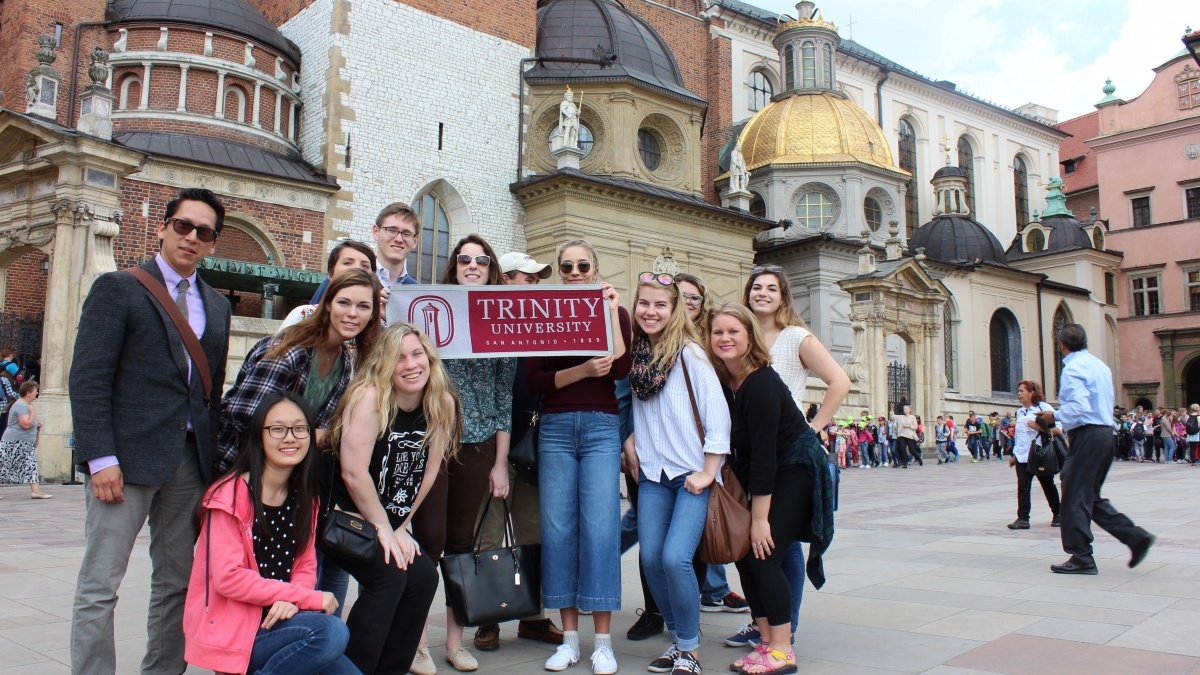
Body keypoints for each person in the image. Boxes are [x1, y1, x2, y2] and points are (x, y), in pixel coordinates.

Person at [69, 188, 232, 675]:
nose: (191, 238)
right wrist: (100, 458)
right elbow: (89, 377)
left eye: (203, 232)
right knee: (101, 584)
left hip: (188, 462)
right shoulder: (119, 288)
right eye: (183, 226)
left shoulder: (217, 306)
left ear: (212, 243)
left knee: (177, 583)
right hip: (124, 461)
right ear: (163, 227)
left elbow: (212, 394)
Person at [183, 392, 358, 675]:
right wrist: (306, 599)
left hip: (284, 623)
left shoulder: (305, 499)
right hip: (240, 634)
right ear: (258, 436)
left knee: (333, 644)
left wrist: (292, 599)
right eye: (277, 429)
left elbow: (305, 566)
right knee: (332, 633)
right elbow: (229, 578)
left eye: (299, 428)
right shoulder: (229, 497)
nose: (290, 437)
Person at [727, 265, 849, 651]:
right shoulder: (739, 337)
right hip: (758, 449)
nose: (762, 293)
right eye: (756, 287)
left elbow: (840, 381)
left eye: (771, 289)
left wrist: (816, 426)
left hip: (788, 446)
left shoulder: (795, 336)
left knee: (779, 545)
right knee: (770, 545)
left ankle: (786, 628)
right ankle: (768, 626)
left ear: (783, 297)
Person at [707, 303, 833, 675]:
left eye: (734, 331)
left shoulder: (760, 382)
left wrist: (759, 518)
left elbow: (763, 457)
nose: (725, 338)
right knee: (745, 556)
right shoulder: (727, 381)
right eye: (718, 332)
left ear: (750, 337)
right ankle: (765, 641)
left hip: (793, 470)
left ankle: (781, 649)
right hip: (768, 473)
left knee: (764, 554)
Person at [411, 235, 516, 673]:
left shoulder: (502, 320)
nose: (472, 265)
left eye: (481, 260)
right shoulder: (429, 311)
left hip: (477, 445)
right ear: (453, 266)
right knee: (427, 541)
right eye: (464, 259)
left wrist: (499, 463)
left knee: (458, 545)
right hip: (432, 440)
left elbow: (502, 396)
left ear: (492, 269)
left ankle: (454, 643)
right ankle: (416, 642)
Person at [325, 322, 456, 673]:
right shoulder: (369, 397)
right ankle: (353, 669)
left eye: (417, 354)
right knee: (389, 577)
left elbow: (428, 474)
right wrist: (383, 527)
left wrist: (400, 525)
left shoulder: (441, 402)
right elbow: (353, 473)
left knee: (425, 576)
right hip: (340, 514)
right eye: (398, 358)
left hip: (386, 520)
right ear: (384, 364)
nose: (411, 365)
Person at [526, 239, 629, 675]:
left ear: (595, 267)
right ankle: (569, 639)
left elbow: (621, 368)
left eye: (582, 265)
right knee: (559, 529)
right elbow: (535, 380)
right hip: (555, 427)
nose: (574, 272)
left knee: (601, 528)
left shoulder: (614, 312)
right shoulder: (544, 309)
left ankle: (602, 642)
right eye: (566, 266)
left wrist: (610, 311)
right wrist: (584, 371)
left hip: (602, 427)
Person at [625, 272, 730, 675]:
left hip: (691, 474)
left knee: (674, 558)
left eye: (660, 305)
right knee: (651, 559)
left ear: (674, 311)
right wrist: (631, 438)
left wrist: (708, 472)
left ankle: (690, 650)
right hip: (654, 472)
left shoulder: (690, 354)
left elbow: (718, 417)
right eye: (644, 304)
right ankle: (679, 636)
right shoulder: (639, 356)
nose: (650, 312)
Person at [472, 252, 563, 654]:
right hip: (488, 443)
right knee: (488, 534)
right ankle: (487, 617)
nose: (534, 284)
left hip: (530, 443)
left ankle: (532, 616)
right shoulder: (484, 323)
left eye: (537, 278)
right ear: (505, 279)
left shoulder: (542, 324)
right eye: (527, 278)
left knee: (532, 533)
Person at [1037, 324, 1155, 575]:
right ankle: (1135, 537)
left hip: (1087, 434)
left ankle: (1081, 556)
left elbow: (1078, 406)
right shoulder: (1099, 365)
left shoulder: (1073, 367)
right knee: (1088, 494)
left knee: (1072, 494)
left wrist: (1053, 416)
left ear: (1062, 345)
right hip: (1104, 433)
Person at [676, 272, 750, 615]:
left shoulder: (708, 344)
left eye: (694, 298)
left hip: (715, 451)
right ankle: (711, 589)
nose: (687, 302)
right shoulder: (655, 340)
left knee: (715, 518)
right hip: (670, 455)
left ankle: (714, 588)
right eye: (680, 296)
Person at [281, 239, 378, 329]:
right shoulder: (303, 315)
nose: (357, 269)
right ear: (331, 272)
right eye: (348, 263)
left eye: (365, 266)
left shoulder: (376, 323)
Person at [1006, 380, 1061, 530]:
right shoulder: (1020, 411)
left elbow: (1059, 430)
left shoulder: (1043, 408)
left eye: (1022, 391)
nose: (1019, 394)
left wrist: (1039, 427)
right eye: (1018, 391)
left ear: (1032, 393)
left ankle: (1058, 514)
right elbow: (1020, 436)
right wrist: (1014, 455)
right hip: (1023, 456)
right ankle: (1023, 518)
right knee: (1023, 488)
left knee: (1047, 485)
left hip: (1039, 454)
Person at [0, 380, 51, 498]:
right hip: (13, 442)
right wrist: (33, 413)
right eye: (35, 391)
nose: (36, 393)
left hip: (25, 443)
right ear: (28, 393)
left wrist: (37, 424)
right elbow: (26, 424)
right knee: (3, 465)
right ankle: (36, 491)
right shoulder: (20, 405)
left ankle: (36, 491)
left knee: (31, 465)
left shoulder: (27, 406)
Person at [371, 201, 424, 287]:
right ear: (376, 232)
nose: (399, 239)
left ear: (415, 241)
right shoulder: (355, 280)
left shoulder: (418, 294)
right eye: (391, 230)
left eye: (406, 234)